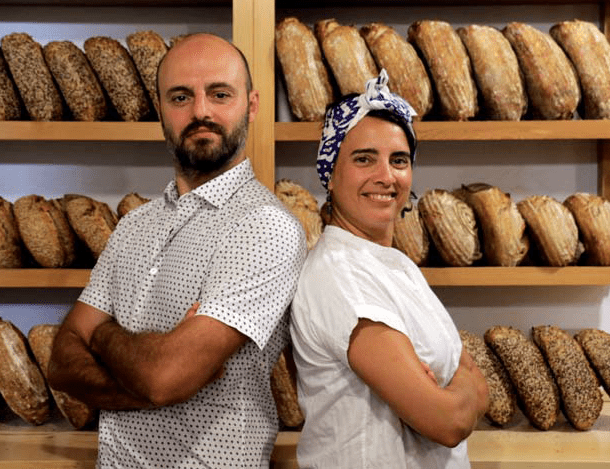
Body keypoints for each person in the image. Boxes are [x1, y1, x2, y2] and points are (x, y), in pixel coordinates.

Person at [48, 33, 307, 468]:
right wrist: (143, 380)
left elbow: (164, 376)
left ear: (253, 105)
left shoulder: (265, 227)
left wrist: (102, 334)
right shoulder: (134, 225)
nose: (200, 111)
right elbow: (61, 361)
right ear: (160, 111)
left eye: (219, 94)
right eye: (181, 96)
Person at [289, 70, 489, 468]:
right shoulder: (340, 276)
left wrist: (462, 385)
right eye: (364, 159)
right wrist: (463, 390)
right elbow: (448, 421)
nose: (386, 176)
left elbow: (473, 376)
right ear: (330, 174)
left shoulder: (396, 265)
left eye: (399, 160)